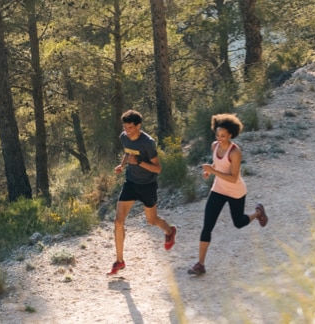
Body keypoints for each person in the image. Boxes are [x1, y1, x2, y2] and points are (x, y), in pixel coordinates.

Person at [187, 113, 268, 275]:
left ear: (231, 134)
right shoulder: (214, 146)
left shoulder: (235, 152)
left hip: (235, 191)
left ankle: (258, 212)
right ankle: (200, 264)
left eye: (223, 135)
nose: (220, 138)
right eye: (217, 135)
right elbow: (217, 164)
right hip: (218, 189)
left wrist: (213, 171)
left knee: (238, 223)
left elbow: (233, 178)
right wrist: (210, 171)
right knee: (207, 226)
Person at [107, 109, 176, 276]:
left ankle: (169, 231)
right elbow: (128, 152)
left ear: (139, 126)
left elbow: (157, 168)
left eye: (130, 127)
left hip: (147, 185)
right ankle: (119, 261)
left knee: (152, 220)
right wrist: (122, 165)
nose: (127, 131)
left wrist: (139, 162)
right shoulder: (124, 137)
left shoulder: (148, 143)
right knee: (118, 222)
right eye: (125, 127)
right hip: (131, 183)